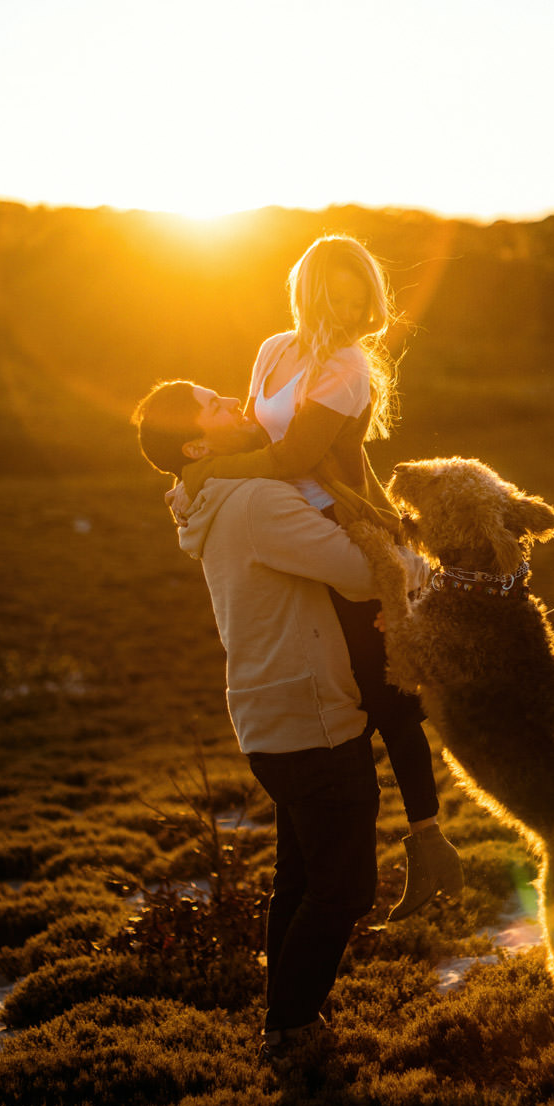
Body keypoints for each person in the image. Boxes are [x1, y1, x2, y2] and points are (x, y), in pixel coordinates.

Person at [131, 378, 431, 1063]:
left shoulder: (204, 499)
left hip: (269, 717)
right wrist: (425, 568)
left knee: (299, 880)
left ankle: (287, 1020)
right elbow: (361, 573)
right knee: (347, 888)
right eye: (217, 406)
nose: (236, 404)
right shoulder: (256, 499)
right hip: (313, 716)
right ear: (196, 443)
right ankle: (292, 1030)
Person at [167, 235, 464, 920]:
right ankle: (368, 855)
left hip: (338, 524)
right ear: (310, 288)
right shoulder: (275, 349)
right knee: (350, 687)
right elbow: (253, 437)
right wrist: (205, 483)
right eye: (340, 289)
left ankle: (429, 844)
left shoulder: (349, 367)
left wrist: (205, 475)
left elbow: (294, 453)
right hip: (284, 530)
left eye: (363, 293)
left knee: (384, 691)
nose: (353, 304)